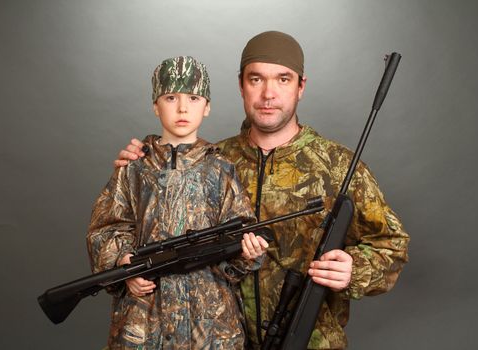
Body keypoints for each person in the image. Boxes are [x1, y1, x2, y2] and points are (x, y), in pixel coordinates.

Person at [115, 32, 410, 349]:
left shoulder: (338, 166)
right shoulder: (212, 163)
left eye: (283, 79)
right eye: (256, 79)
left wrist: (355, 270)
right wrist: (146, 157)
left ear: (301, 87)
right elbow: (149, 236)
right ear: (241, 85)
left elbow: (392, 247)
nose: (269, 93)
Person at [87, 56, 268, 349]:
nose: (183, 108)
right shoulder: (134, 167)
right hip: (146, 321)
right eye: (171, 97)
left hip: (209, 327)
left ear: (207, 107)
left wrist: (247, 253)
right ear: (155, 106)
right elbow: (105, 228)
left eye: (194, 98)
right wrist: (125, 267)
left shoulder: (220, 169)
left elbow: (239, 240)